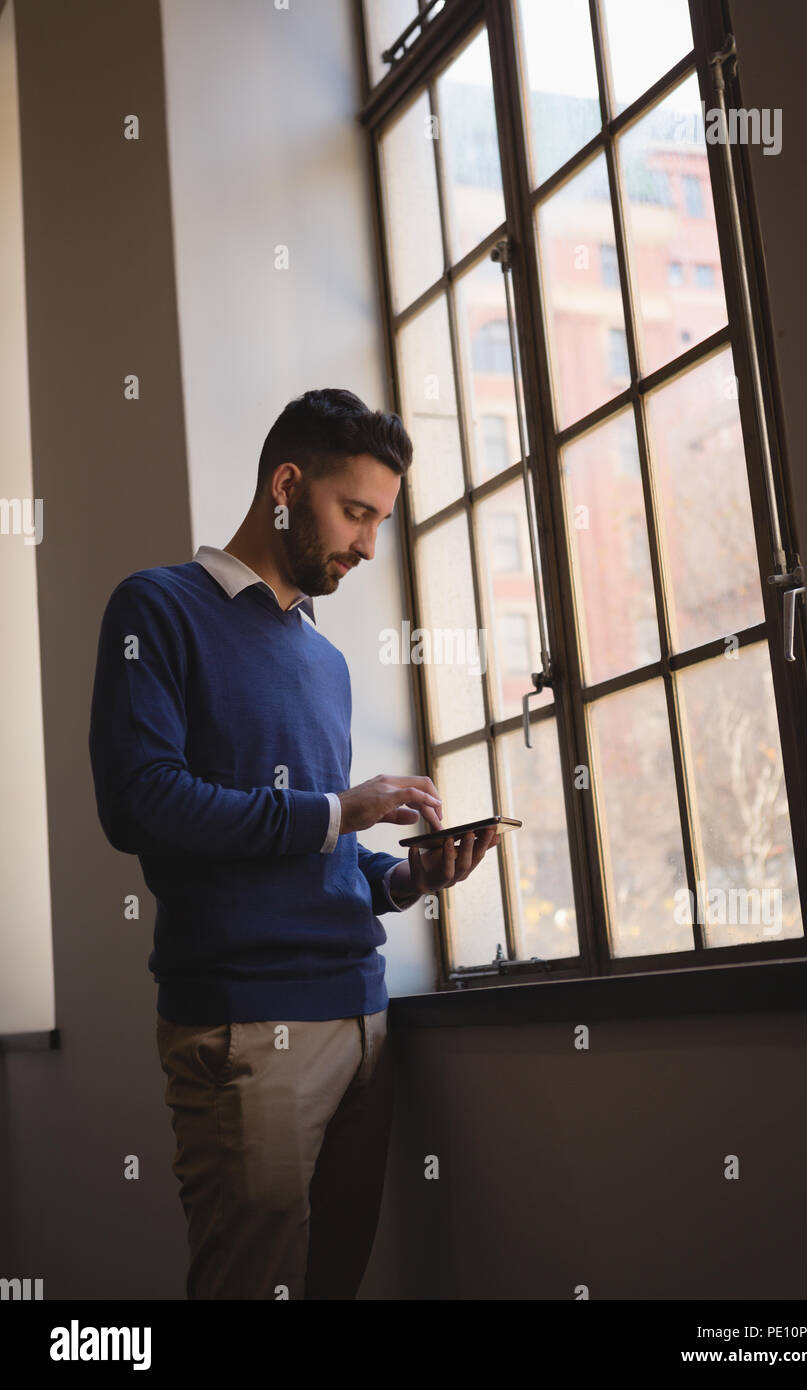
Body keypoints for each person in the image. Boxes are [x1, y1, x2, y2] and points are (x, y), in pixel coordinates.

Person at [88, 387, 497, 1300]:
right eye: (355, 512)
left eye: (381, 521)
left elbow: (317, 842)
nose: (366, 545)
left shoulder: (326, 661)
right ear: (285, 484)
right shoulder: (154, 610)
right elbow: (141, 804)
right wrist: (339, 811)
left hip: (364, 1017)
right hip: (244, 1024)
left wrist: (401, 880)